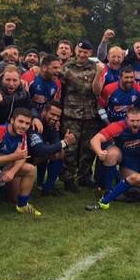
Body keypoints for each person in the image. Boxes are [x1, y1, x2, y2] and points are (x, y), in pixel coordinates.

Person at [60, 39, 99, 192]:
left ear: (90, 53)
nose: (82, 55)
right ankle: (68, 179)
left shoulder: (95, 67)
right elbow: (58, 86)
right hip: (71, 115)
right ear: (76, 50)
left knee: (87, 149)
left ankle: (85, 177)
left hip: (90, 115)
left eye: (86, 52)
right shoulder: (67, 67)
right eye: (80, 51)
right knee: (70, 148)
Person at [90, 107, 140, 193]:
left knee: (136, 185)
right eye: (132, 121)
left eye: (138, 120)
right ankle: (108, 190)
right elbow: (95, 139)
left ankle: (117, 175)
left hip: (132, 157)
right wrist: (99, 152)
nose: (135, 124)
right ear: (126, 119)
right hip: (117, 152)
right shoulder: (118, 126)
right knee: (113, 154)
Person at [28, 101, 76, 196]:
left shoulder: (51, 126)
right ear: (44, 111)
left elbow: (57, 146)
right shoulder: (34, 123)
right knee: (13, 197)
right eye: (52, 114)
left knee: (59, 152)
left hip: (37, 155)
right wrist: (65, 142)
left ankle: (48, 187)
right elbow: (40, 149)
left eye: (58, 116)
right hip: (22, 158)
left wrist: (62, 143)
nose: (55, 118)